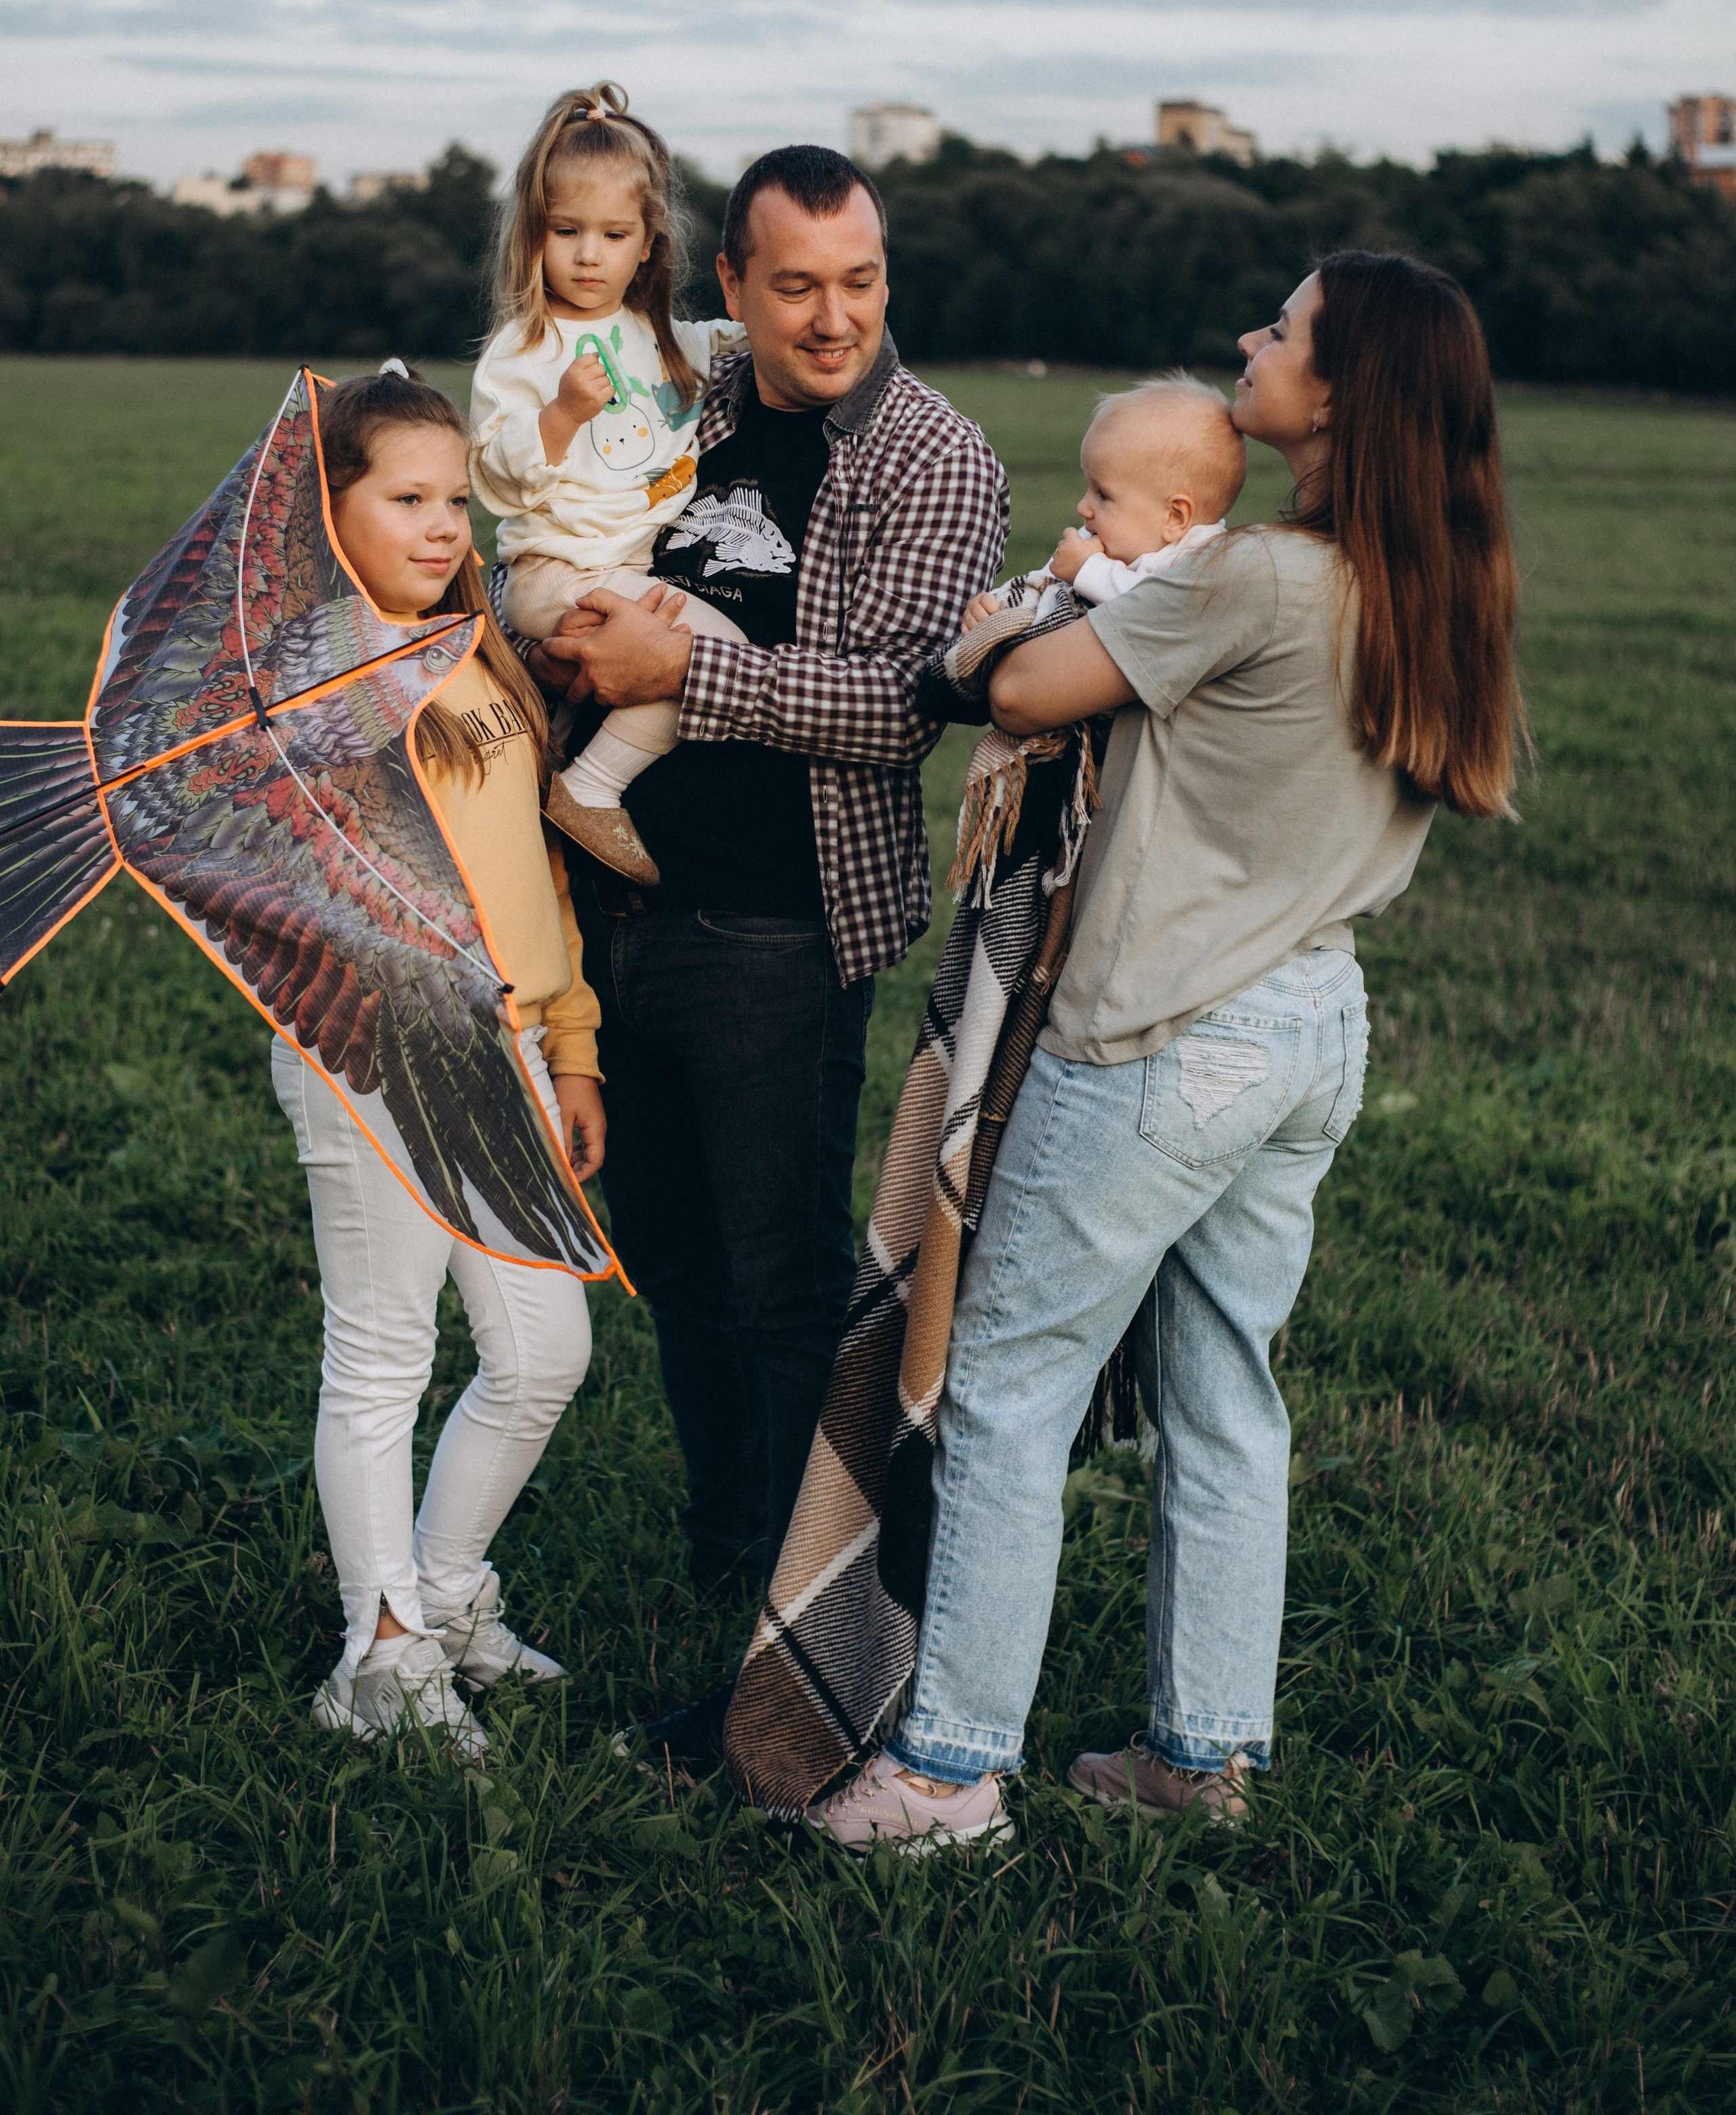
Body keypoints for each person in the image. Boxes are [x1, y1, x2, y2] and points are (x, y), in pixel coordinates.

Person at [808, 248, 1526, 1850]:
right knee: (1222, 1399)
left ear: (1335, 394)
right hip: (1309, 1028)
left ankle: (942, 1773)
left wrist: (1030, 594)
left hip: (1159, 1032)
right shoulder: (1424, 587)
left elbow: (1020, 684)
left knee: (1000, 1392)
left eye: (1278, 329)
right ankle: (1199, 1756)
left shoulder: (1251, 577)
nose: (1245, 341)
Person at [525, 145, 1009, 1768]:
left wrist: (688, 668)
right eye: (794, 282)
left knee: (779, 1267)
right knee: (663, 1243)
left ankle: (816, 1603)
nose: (833, 316)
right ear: (727, 282)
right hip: (612, 906)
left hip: (780, 917)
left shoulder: (933, 454)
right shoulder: (681, 395)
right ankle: (728, 1534)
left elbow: (904, 704)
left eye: (859, 279)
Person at [281, 367, 607, 1760]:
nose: (439, 528)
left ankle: (448, 1587)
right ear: (326, 509)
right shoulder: (313, 671)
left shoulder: (472, 646)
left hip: (515, 1046)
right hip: (381, 1048)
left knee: (545, 1353)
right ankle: (382, 1652)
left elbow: (529, 860)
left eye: (453, 503)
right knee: (384, 1352)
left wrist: (571, 1039)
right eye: (404, 501)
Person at [469, 81, 749, 885]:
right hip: (553, 573)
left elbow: (747, 335)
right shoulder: (522, 351)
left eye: (613, 234)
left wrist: (780, 319)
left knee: (704, 657)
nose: (588, 255)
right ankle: (590, 791)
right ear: (534, 235)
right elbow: (491, 476)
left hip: (628, 572)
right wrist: (558, 416)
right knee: (701, 658)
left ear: (648, 245)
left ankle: (553, 761)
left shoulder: (663, 344)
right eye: (566, 231)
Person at [961, 373, 1246, 631]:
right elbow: (1039, 583)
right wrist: (993, 605)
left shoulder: (1202, 563)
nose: (1082, 507)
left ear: (1175, 517)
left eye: (1103, 495)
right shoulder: (1098, 541)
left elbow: (1162, 610)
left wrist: (1086, 570)